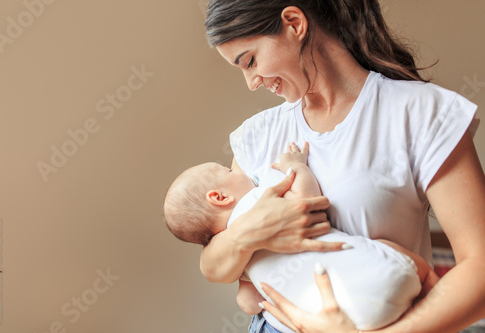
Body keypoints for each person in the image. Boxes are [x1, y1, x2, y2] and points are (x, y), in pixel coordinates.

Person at [200, 0, 485, 332]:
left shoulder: (421, 113)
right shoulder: (258, 135)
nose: (251, 82)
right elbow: (213, 265)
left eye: (250, 61)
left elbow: (479, 266)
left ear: (294, 23)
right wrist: (248, 233)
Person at [164, 142, 438, 332]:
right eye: (229, 171)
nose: (238, 171)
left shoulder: (241, 261)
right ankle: (427, 278)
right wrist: (297, 167)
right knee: (382, 247)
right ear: (220, 197)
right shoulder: (258, 200)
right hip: (384, 282)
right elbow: (307, 201)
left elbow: (247, 303)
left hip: (331, 320)